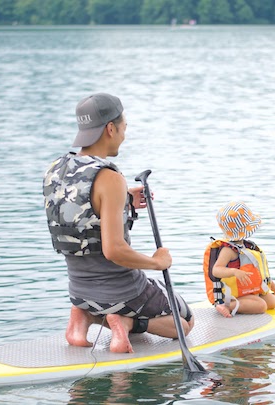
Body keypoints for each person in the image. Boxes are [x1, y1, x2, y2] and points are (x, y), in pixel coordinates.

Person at [43, 93, 194, 353]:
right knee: (186, 322)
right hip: (123, 291)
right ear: (110, 128)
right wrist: (156, 262)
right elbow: (114, 251)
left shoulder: (56, 168)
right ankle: (122, 321)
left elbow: (82, 212)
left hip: (79, 290)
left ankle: (84, 316)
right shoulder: (109, 177)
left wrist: (123, 200)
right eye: (124, 128)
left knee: (98, 302)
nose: (124, 135)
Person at [203, 201, 275, 317]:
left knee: (272, 302)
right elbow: (216, 270)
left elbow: (260, 273)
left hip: (250, 290)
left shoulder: (247, 247)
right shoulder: (228, 250)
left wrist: (274, 287)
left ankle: (245, 302)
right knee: (261, 306)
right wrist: (234, 271)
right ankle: (226, 306)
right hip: (234, 294)